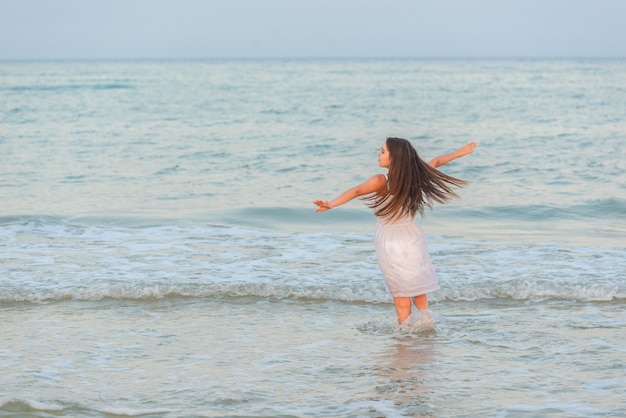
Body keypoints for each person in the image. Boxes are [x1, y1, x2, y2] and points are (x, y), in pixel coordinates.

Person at [314, 138, 476, 324]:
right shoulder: (415, 177)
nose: (378, 154)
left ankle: (404, 339)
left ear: (395, 157)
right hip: (413, 238)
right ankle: (427, 329)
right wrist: (459, 152)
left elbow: (357, 191)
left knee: (401, 296)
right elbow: (437, 161)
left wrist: (331, 204)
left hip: (390, 241)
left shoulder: (381, 180)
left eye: (382, 151)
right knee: (418, 290)